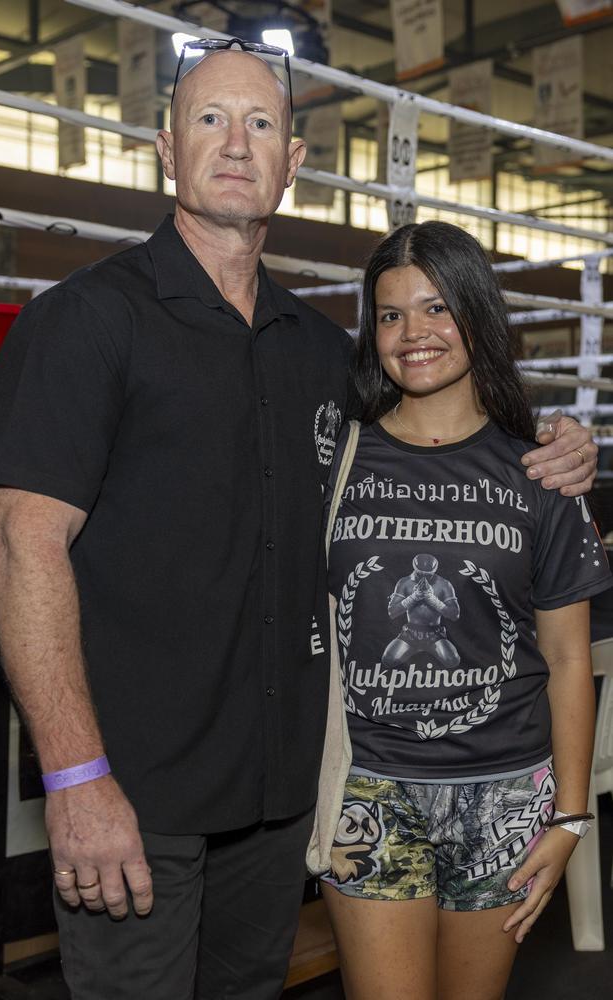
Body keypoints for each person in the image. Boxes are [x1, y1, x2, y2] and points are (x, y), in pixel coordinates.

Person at [0, 41, 596, 1000]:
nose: (236, 143)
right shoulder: (88, 322)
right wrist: (75, 778)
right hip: (135, 797)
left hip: (281, 799)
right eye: (211, 120)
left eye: (261, 122)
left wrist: (558, 444)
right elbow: (22, 547)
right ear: (164, 149)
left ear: (294, 161)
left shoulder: (320, 353)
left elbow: (435, 431)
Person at [319, 221, 611, 1000]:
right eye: (390, 314)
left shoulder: (540, 472)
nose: (413, 333)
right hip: (369, 786)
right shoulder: (337, 459)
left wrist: (571, 819)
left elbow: (569, 659)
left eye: (437, 307)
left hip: (508, 795)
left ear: (476, 316)